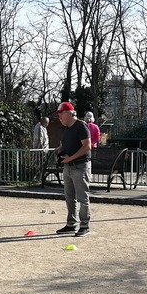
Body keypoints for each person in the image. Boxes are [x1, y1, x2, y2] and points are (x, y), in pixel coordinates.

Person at [53, 101, 93, 237]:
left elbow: (87, 146)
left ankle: (85, 225)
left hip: (80, 166)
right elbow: (64, 145)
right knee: (69, 197)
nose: (59, 117)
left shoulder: (81, 126)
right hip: (68, 166)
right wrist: (60, 154)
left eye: (60, 114)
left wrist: (70, 158)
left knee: (82, 197)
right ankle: (71, 224)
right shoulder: (66, 129)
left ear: (69, 113)